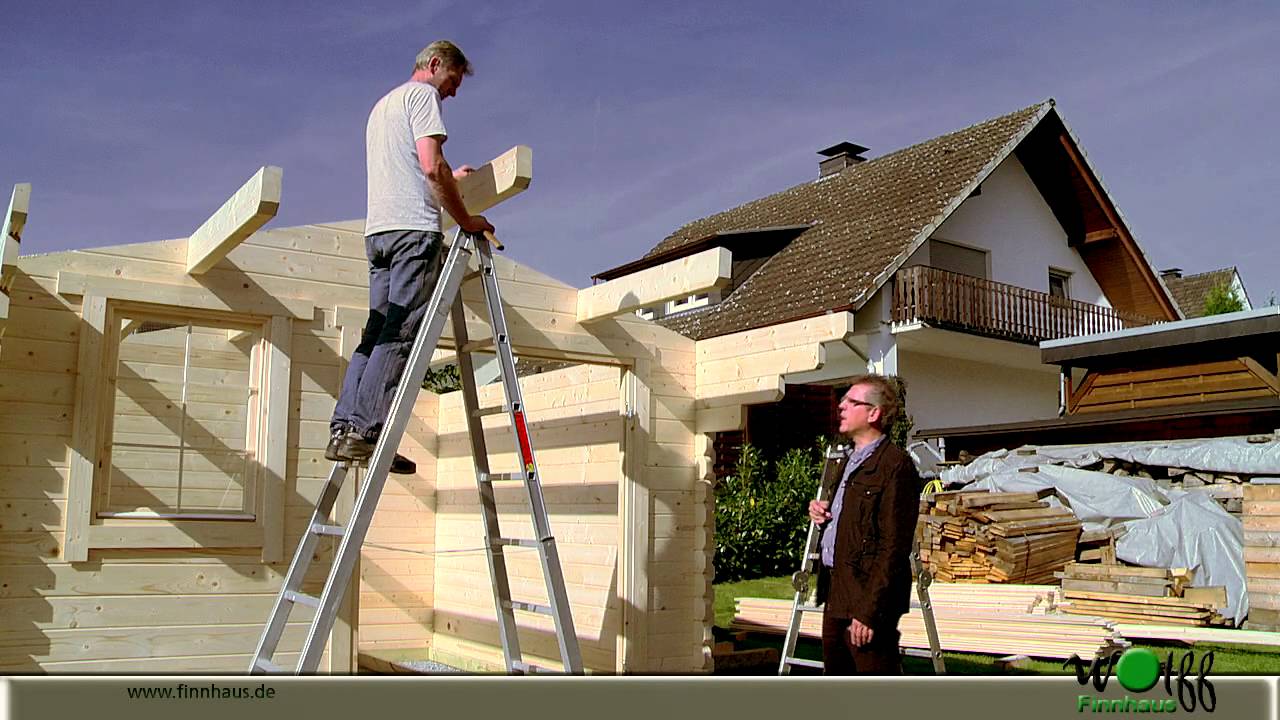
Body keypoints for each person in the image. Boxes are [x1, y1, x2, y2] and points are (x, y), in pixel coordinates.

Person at [327, 40, 495, 473]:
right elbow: (429, 166)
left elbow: (415, 168)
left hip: (378, 235)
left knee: (375, 334)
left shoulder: (383, 106)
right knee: (401, 335)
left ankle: (345, 427)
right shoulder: (423, 97)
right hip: (411, 235)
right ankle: (367, 432)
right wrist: (466, 218)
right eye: (453, 81)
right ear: (435, 64)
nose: (453, 92)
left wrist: (449, 177)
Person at [807, 374, 921, 674]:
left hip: (867, 597)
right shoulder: (848, 461)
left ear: (874, 413)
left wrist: (870, 612)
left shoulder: (896, 466)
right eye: (842, 400)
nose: (841, 406)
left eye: (851, 401)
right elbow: (856, 523)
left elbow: (893, 547)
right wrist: (823, 515)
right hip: (837, 590)